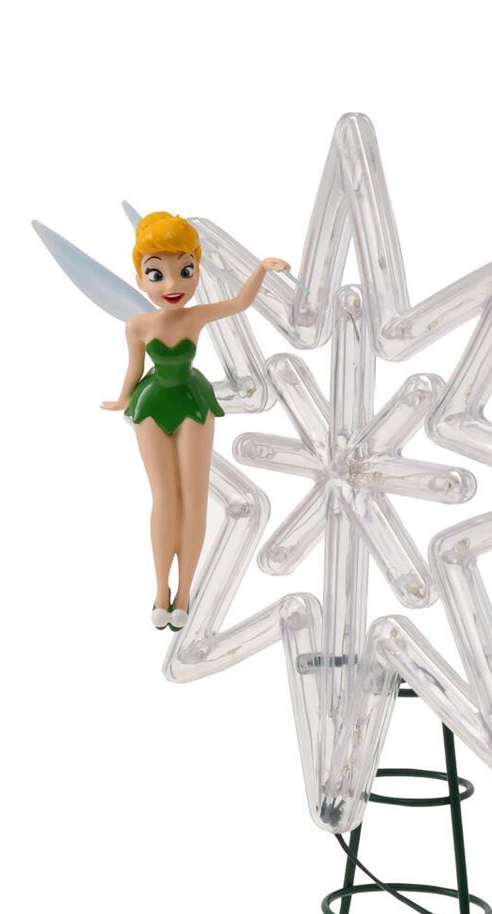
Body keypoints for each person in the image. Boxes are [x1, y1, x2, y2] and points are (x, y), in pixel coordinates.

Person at [101, 211, 288, 630]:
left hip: (193, 402)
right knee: (165, 497)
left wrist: (261, 268)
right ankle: (160, 590)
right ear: (139, 279)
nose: (172, 285)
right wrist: (122, 399)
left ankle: (184, 592)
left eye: (185, 271)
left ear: (197, 272)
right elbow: (134, 369)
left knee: (195, 497)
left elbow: (239, 304)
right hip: (152, 403)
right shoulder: (137, 325)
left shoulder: (196, 316)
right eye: (157, 274)